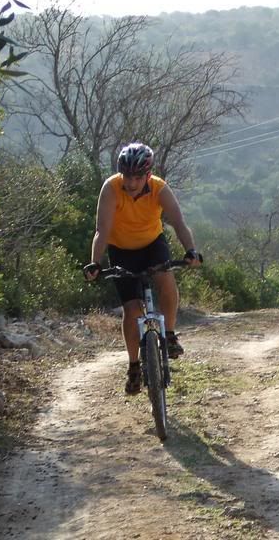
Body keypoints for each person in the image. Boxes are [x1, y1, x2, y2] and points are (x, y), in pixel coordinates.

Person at [83, 142, 202, 395]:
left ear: (148, 175)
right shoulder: (111, 188)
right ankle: (134, 365)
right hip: (121, 249)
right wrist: (95, 262)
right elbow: (102, 231)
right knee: (132, 308)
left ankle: (169, 335)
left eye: (137, 177)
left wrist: (191, 250)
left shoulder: (160, 189)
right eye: (127, 176)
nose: (131, 182)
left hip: (152, 245)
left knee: (166, 280)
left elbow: (179, 223)